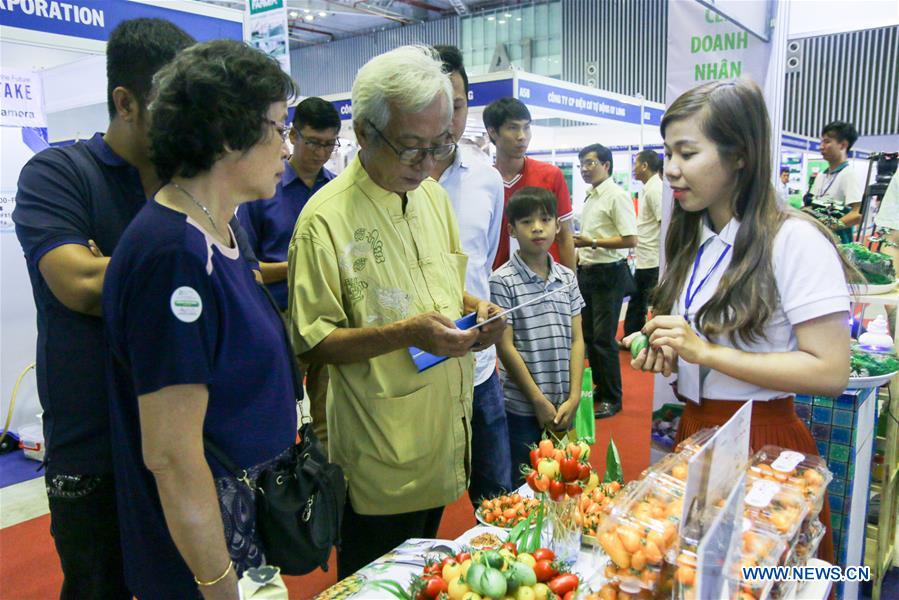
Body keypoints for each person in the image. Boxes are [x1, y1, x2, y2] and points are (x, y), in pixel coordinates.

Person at [286, 45, 505, 578]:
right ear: (363, 132)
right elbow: (312, 342)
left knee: (424, 571)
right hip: (377, 448)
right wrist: (403, 333)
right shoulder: (325, 221)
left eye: (441, 145)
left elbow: (447, 291)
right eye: (412, 148)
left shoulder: (431, 197)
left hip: (441, 431)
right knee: (374, 578)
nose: (428, 163)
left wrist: (479, 311)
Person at [624, 79, 855, 565]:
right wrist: (672, 353)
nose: (670, 170)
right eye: (668, 154)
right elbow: (706, 344)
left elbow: (830, 371)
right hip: (694, 435)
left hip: (761, 443)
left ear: (741, 155)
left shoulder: (793, 240)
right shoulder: (695, 238)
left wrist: (705, 353)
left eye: (687, 153)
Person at [102, 40, 299, 599]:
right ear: (228, 132)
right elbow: (171, 453)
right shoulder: (174, 256)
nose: (285, 148)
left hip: (242, 528)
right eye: (278, 128)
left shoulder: (222, 229)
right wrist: (217, 584)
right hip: (202, 557)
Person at [11, 19, 198, 599]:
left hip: (185, 437)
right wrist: (180, 270)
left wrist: (120, 263)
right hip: (91, 443)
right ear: (126, 102)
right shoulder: (57, 174)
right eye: (172, 108)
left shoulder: (189, 182)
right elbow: (80, 283)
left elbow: (225, 277)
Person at [430, 45, 512, 504]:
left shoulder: (487, 178)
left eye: (457, 105)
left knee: (497, 497)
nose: (448, 118)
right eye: (436, 104)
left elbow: (483, 263)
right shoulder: (397, 183)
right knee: (415, 510)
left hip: (479, 366)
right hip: (416, 368)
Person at [237, 96, 340, 448]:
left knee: (330, 415)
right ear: (293, 135)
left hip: (332, 317)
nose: (321, 153)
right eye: (313, 142)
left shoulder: (338, 191)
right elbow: (248, 269)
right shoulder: (264, 190)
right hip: (281, 317)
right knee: (279, 410)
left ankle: (326, 490)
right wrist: (299, 265)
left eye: (329, 144)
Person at [490, 187, 585, 485]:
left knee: (564, 480)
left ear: (558, 225)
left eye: (545, 219)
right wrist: (537, 400)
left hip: (563, 402)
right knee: (526, 484)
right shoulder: (502, 281)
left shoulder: (566, 277)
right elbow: (505, 347)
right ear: (511, 229)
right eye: (526, 222)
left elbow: (577, 339)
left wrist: (574, 395)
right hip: (523, 405)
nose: (537, 228)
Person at [573, 143, 637, 418]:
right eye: (582, 164)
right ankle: (601, 386)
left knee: (603, 339)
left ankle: (613, 397)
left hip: (609, 273)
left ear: (606, 165)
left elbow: (630, 239)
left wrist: (593, 242)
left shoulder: (616, 196)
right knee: (588, 337)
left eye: (590, 163)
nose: (585, 169)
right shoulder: (591, 196)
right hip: (587, 272)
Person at [483, 97, 576, 272]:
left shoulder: (550, 175)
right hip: (496, 283)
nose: (522, 136)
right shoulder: (483, 181)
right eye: (513, 128)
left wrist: (571, 288)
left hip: (546, 282)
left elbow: (565, 236)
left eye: (526, 127)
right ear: (493, 132)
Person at [623, 149, 663, 339]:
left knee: (640, 298)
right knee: (639, 297)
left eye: (636, 164)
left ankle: (634, 334)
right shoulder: (650, 187)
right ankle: (635, 333)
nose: (633, 169)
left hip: (651, 256)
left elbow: (663, 222)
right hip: (646, 254)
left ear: (645, 166)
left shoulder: (656, 189)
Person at [807, 120, 863, 243]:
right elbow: (813, 205)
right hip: (818, 239)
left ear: (843, 145)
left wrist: (829, 227)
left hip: (838, 243)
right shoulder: (822, 175)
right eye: (821, 141)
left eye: (827, 142)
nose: (821, 146)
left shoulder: (848, 174)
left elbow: (858, 214)